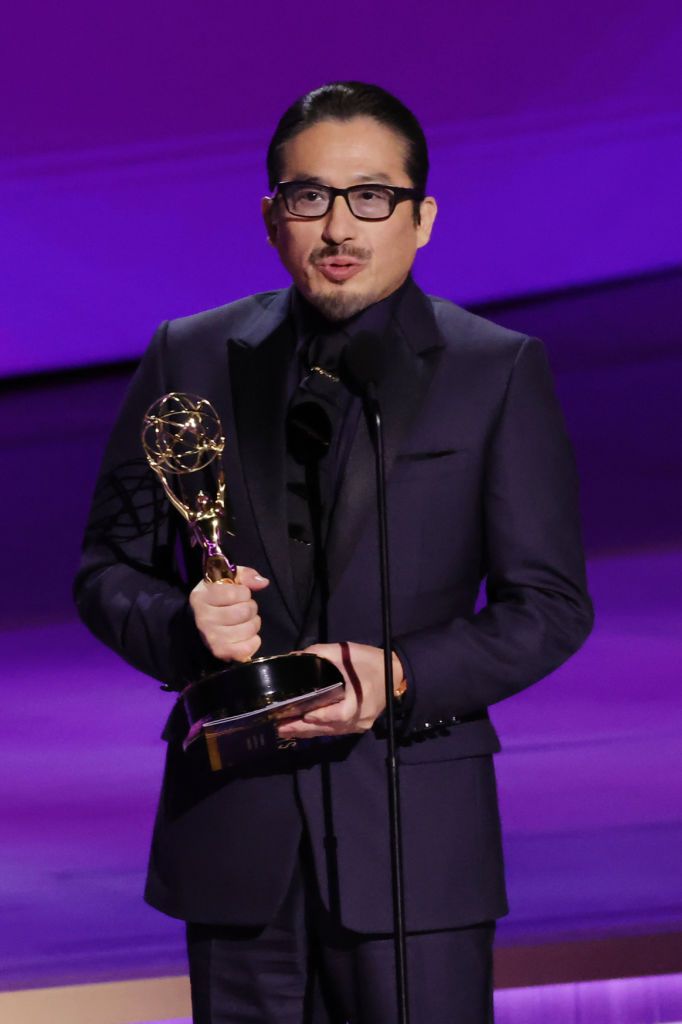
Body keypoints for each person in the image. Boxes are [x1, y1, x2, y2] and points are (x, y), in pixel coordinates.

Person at [75, 82, 593, 1023]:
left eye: (372, 197)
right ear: (272, 217)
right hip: (235, 835)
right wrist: (186, 625)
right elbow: (106, 569)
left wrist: (401, 673)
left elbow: (550, 605)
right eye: (310, 196)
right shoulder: (190, 357)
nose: (340, 227)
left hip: (414, 838)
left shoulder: (495, 370)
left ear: (422, 218)